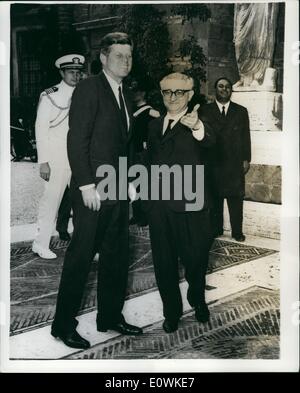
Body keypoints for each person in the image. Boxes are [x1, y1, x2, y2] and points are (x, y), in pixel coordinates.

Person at [51, 32, 143, 350]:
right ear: (103, 58)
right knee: (81, 257)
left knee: (117, 256)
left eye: (129, 56)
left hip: (117, 187)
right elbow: (77, 140)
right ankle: (63, 326)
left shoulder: (125, 94)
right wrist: (86, 184)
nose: (125, 61)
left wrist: (131, 182)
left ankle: (109, 316)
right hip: (93, 189)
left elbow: (125, 145)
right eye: (119, 55)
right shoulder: (90, 88)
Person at [145, 73, 215, 333]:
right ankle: (171, 312)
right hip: (160, 208)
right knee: (163, 263)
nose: (172, 97)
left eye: (179, 92)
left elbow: (211, 141)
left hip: (190, 205)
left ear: (190, 95)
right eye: (167, 92)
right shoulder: (153, 126)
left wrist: (197, 127)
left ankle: (197, 300)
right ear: (161, 94)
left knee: (195, 259)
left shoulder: (201, 119)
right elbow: (149, 161)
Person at [32, 54, 85, 259]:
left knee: (83, 204)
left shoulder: (85, 92)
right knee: (51, 202)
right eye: (71, 72)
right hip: (56, 157)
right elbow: (41, 128)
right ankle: (40, 243)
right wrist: (43, 161)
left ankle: (86, 245)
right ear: (62, 73)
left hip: (79, 157)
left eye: (78, 72)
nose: (75, 76)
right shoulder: (50, 95)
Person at [200, 77, 251, 242]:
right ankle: (216, 229)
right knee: (215, 197)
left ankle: (237, 231)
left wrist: (246, 159)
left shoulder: (241, 111)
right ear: (216, 89)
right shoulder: (204, 110)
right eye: (221, 86)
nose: (224, 89)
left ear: (231, 90)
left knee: (235, 198)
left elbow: (246, 137)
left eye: (228, 87)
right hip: (213, 162)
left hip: (234, 162)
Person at [129, 81, 160, 227]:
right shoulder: (132, 111)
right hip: (133, 153)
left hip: (144, 154)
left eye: (136, 91)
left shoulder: (151, 112)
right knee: (134, 184)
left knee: (144, 185)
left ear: (142, 93)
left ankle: (145, 216)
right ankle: (136, 214)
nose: (133, 94)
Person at [233, 3, 279, 89]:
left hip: (260, 5)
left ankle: (258, 77)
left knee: (260, 38)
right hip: (245, 6)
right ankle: (243, 77)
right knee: (239, 42)